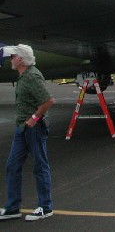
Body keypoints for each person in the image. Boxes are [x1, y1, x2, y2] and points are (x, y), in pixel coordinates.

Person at [0, 45, 55, 221]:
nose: (10, 59)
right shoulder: (23, 76)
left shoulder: (32, 76)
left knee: (40, 166)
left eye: (13, 56)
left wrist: (34, 118)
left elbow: (47, 101)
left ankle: (45, 207)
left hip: (34, 128)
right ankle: (12, 207)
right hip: (21, 128)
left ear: (21, 59)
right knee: (12, 165)